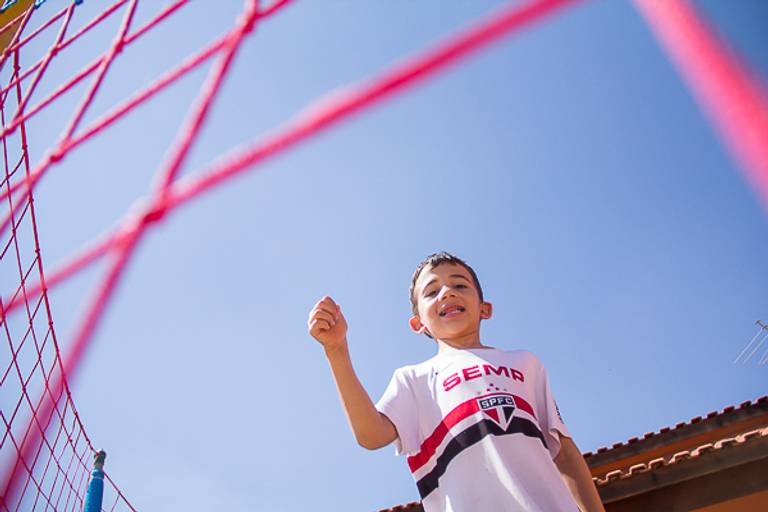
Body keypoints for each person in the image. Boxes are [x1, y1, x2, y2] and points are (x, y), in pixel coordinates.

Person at [308, 252, 605, 512]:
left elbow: (564, 452)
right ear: (418, 323)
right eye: (432, 291)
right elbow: (370, 435)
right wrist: (337, 350)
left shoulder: (526, 364)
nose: (447, 293)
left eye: (459, 285)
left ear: (484, 308)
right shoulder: (413, 380)